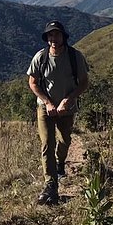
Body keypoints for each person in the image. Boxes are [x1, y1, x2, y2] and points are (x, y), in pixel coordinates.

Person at [27, 19, 90, 205]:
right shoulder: (41, 57)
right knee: (47, 143)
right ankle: (50, 185)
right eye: (50, 35)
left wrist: (68, 100)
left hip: (67, 109)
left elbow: (84, 82)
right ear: (47, 38)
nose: (54, 38)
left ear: (64, 36)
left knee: (64, 140)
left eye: (57, 34)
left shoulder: (74, 56)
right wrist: (47, 102)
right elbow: (33, 83)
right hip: (45, 108)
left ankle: (60, 163)